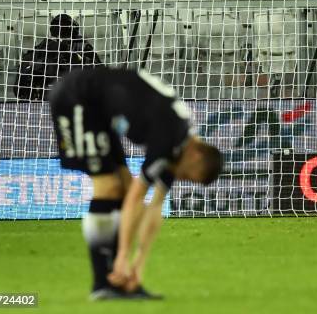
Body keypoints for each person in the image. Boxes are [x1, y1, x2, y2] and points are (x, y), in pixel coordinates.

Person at [48, 68, 223, 300]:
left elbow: (155, 208)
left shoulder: (180, 146)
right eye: (190, 176)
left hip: (101, 111)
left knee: (126, 186)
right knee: (109, 186)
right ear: (196, 156)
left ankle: (122, 281)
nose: (182, 179)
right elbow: (136, 199)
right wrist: (123, 255)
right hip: (77, 96)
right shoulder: (167, 137)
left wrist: (138, 264)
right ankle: (103, 283)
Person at [14, 14, 102, 101]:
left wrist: (73, 57)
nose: (61, 32)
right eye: (59, 28)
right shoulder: (45, 47)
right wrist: (39, 65)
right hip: (48, 98)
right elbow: (20, 89)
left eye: (65, 28)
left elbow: (99, 72)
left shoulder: (81, 46)